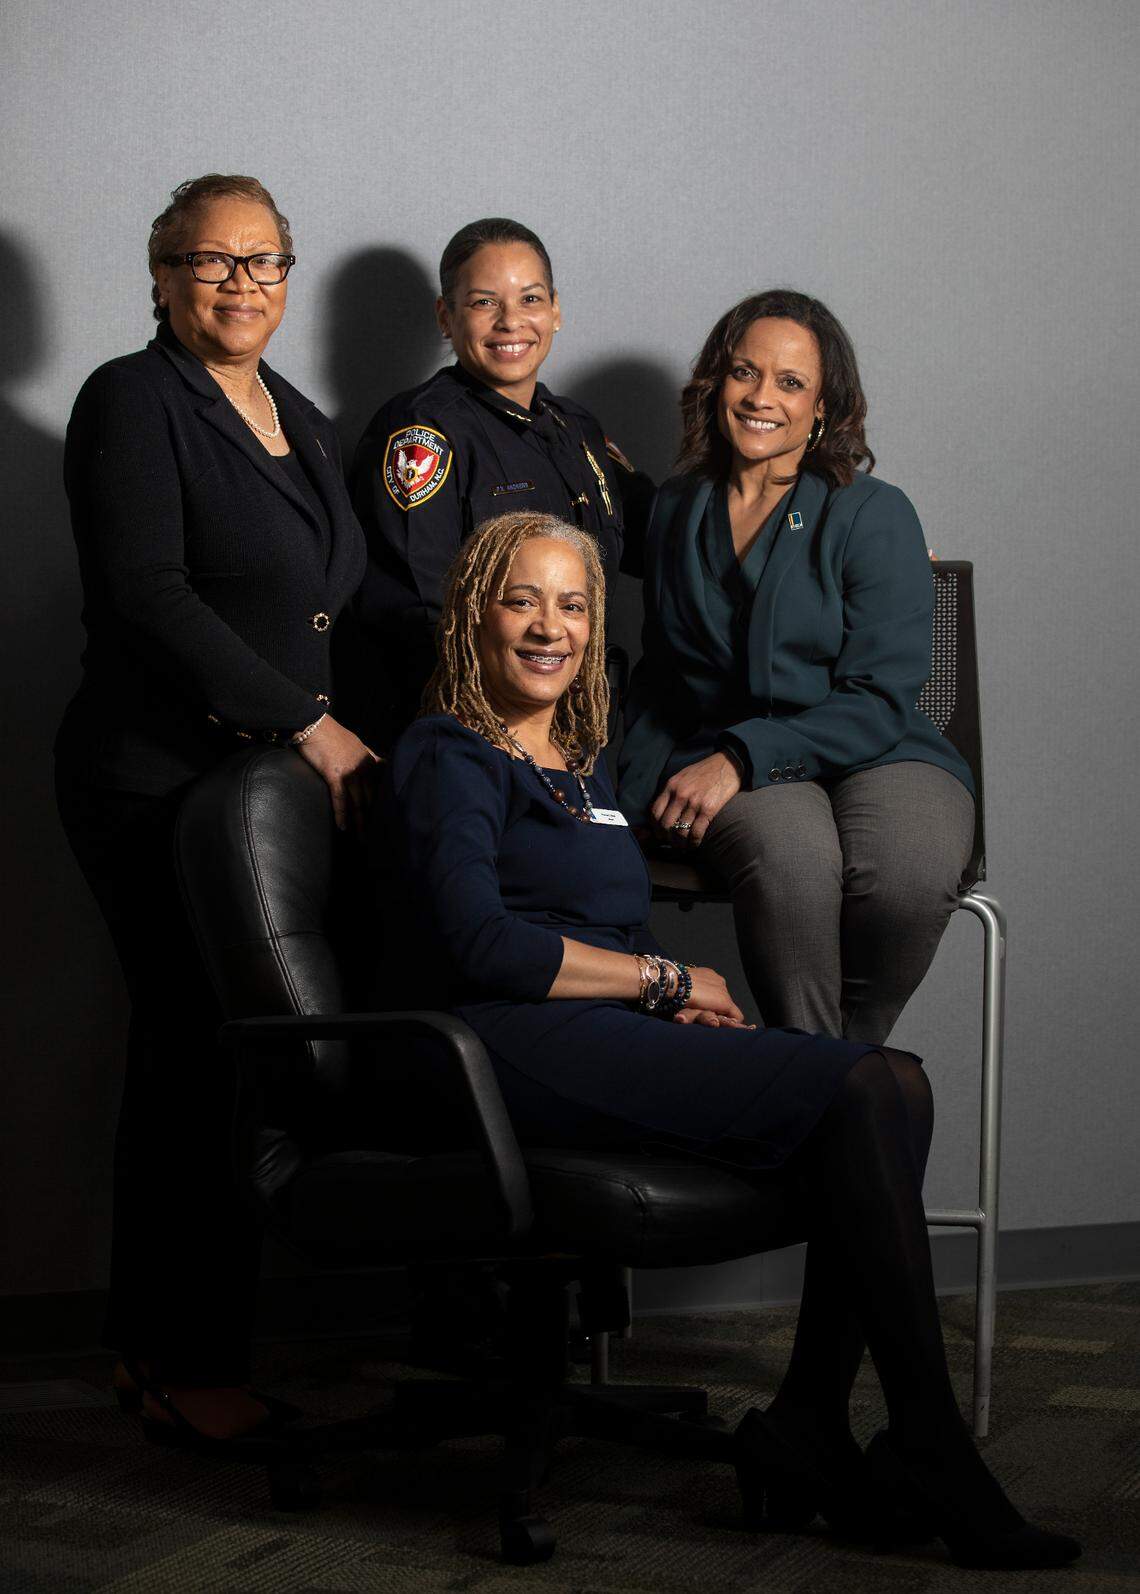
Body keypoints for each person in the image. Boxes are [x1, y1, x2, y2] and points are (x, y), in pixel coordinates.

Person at [381, 510, 1078, 1571]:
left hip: (598, 1026)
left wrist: (663, 996)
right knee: (867, 1090)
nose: (549, 627)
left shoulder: (579, 757)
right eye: (522, 599)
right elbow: (487, 946)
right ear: (475, 613)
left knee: (894, 1088)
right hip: (501, 1046)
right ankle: (924, 1444)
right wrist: (666, 979)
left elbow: (605, 924)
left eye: (573, 604)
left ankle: (810, 1423)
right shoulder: (447, 752)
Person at [54, 174, 375, 1442]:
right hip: (154, 779)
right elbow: (150, 593)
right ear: (162, 276)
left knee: (228, 1054)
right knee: (194, 1052)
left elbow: (320, 599)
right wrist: (308, 724)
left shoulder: (292, 410)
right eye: (213, 262)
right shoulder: (132, 400)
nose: (243, 285)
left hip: (259, 794)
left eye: (266, 262)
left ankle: (175, 1347)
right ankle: (182, 1361)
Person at [618, 290, 975, 1042]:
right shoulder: (675, 510)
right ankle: (823, 1081)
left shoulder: (874, 512)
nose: (761, 398)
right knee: (793, 864)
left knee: (908, 876)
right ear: (716, 382)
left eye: (789, 382)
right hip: (733, 756)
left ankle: (839, 1067)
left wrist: (741, 757)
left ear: (823, 408)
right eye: (745, 372)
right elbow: (661, 677)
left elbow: (880, 697)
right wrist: (632, 799)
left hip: (877, 749)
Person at [350, 216, 652, 739]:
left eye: (531, 299)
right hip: (480, 726)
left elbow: (660, 536)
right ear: (446, 316)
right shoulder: (421, 433)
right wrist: (495, 733)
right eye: (484, 302)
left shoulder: (576, 427)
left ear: (556, 309)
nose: (511, 321)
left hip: (590, 721)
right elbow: (420, 615)